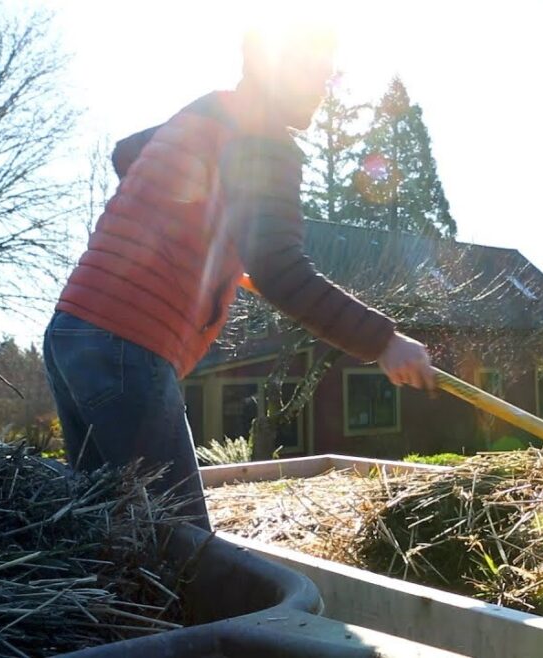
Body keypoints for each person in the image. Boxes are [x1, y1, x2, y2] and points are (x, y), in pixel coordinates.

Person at [42, 25, 435, 530]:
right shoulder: (263, 143)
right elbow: (280, 270)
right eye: (313, 73)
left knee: (110, 530)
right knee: (184, 551)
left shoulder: (206, 113)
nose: (323, 86)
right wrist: (383, 341)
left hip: (73, 333)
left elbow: (126, 153)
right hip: (127, 347)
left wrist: (203, 227)